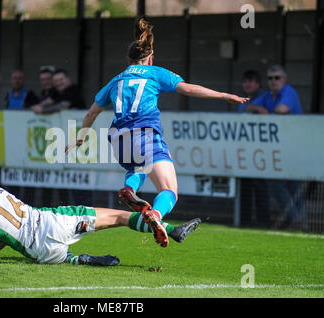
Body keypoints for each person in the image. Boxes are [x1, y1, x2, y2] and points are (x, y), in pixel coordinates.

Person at [66, 18, 248, 247]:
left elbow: (91, 114)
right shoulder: (155, 73)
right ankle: (156, 214)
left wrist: (81, 137)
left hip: (118, 140)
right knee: (169, 190)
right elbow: (188, 89)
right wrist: (223, 96)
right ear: (150, 59)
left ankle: (130, 189)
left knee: (138, 167)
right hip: (145, 135)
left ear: (128, 60)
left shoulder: (115, 81)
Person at [0, 174, 201, 267]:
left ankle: (79, 260)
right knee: (119, 217)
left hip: (43, 253)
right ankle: (172, 230)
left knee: (58, 254)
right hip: (54, 223)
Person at [246, 65, 306, 230]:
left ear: (284, 79)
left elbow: (282, 110)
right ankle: (299, 222)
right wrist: (261, 109)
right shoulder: (268, 95)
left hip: (294, 147)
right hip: (278, 149)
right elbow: (249, 107)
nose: (274, 81)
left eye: (277, 78)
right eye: (271, 78)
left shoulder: (289, 92)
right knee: (286, 186)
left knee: (283, 185)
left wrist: (263, 112)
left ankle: (297, 220)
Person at [237, 70, 270, 228]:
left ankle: (264, 222)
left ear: (258, 83)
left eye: (251, 81)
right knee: (245, 187)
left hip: (261, 150)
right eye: (245, 81)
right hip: (245, 150)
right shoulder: (242, 100)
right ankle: (245, 221)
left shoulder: (264, 98)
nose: (248, 84)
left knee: (261, 187)